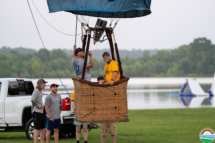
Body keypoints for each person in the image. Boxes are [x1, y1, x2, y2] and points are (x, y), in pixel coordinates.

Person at [102, 52, 121, 143]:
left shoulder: (114, 63)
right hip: (108, 87)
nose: (105, 58)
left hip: (114, 85)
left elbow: (115, 72)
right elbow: (105, 76)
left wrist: (112, 80)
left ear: (109, 56)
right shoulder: (106, 66)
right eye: (104, 57)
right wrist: (103, 81)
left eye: (106, 57)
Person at [31, 79, 47, 143]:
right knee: (37, 129)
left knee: (44, 129)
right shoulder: (36, 91)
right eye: (44, 83)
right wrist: (37, 105)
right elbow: (32, 99)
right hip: (37, 112)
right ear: (41, 84)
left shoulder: (40, 91)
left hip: (41, 113)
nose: (45, 85)